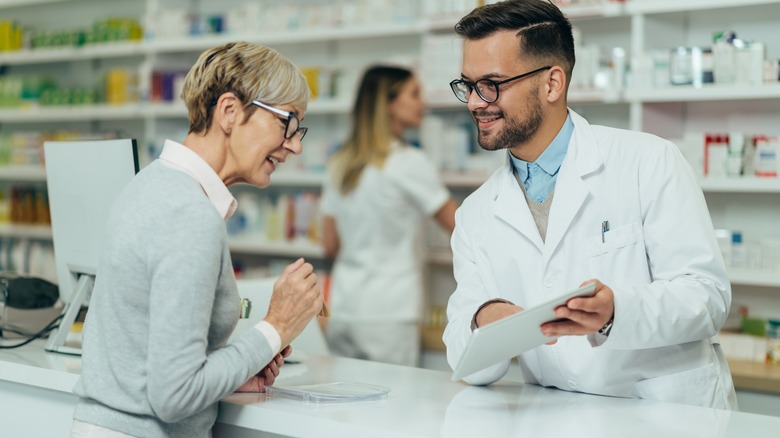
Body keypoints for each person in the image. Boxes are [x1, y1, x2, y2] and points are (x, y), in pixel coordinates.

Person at [443, 0, 737, 410]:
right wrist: (484, 320)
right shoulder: (476, 213)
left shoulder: (648, 161)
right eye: (468, 85)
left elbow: (707, 298)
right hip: (561, 417)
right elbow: (466, 363)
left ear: (552, 83)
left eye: (491, 83)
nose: (475, 102)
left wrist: (616, 310)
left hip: (667, 415)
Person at [70, 41, 324, 437]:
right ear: (229, 111)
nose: (295, 144)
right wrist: (276, 326)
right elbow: (174, 396)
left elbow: (151, 360)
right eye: (287, 122)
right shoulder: (190, 215)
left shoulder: (151, 184)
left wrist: (228, 373)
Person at [320, 65, 458, 367]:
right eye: (414, 94)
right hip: (389, 314)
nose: (423, 103)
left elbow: (329, 244)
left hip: (344, 309)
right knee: (391, 409)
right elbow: (460, 227)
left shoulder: (340, 163)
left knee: (343, 408)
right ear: (389, 104)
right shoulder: (408, 162)